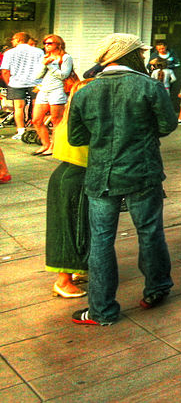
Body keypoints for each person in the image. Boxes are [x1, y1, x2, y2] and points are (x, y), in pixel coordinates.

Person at [66, 33, 179, 325]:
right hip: (143, 171)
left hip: (101, 176)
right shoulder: (150, 86)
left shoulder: (84, 92)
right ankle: (156, 288)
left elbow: (76, 137)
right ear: (130, 56)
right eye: (140, 54)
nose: (144, 57)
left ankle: (102, 310)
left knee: (101, 241)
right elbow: (167, 125)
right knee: (150, 231)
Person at [46, 79, 90, 299]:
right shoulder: (85, 121)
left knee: (71, 226)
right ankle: (63, 281)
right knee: (71, 228)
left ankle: (73, 273)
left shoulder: (68, 116)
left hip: (65, 175)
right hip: (75, 177)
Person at [31, 34, 75, 156]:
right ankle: (45, 144)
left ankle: (54, 146)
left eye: (50, 43)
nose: (46, 46)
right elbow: (37, 75)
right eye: (45, 43)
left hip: (58, 90)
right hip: (44, 90)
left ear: (58, 44)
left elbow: (63, 75)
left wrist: (51, 65)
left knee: (56, 120)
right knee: (36, 119)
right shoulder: (45, 57)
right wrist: (44, 64)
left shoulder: (65, 57)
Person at [2, 30, 44, 139]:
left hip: (17, 83)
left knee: (19, 107)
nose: (12, 41)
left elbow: (5, 71)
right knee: (36, 105)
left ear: (19, 39)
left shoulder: (9, 53)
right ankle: (37, 129)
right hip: (35, 82)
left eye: (13, 39)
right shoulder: (39, 52)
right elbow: (43, 68)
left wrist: (9, 83)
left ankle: (21, 131)